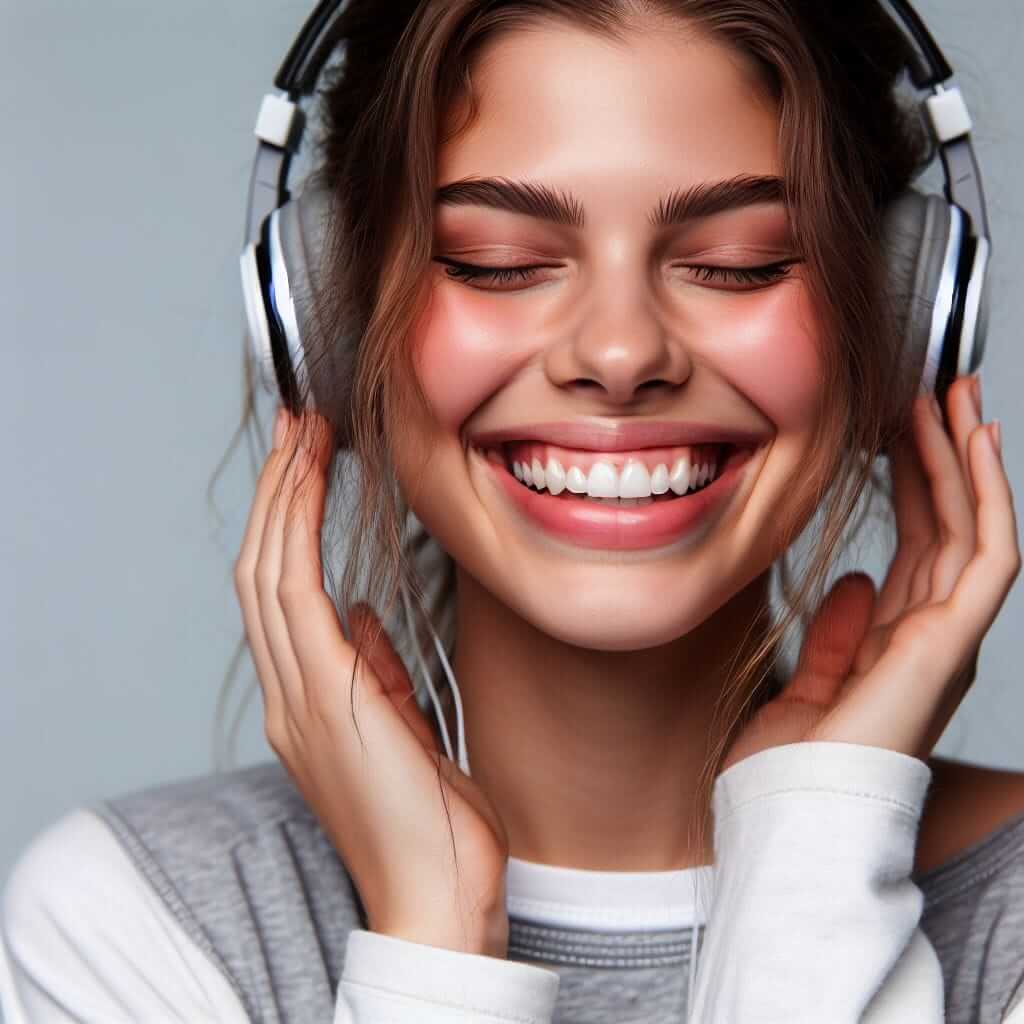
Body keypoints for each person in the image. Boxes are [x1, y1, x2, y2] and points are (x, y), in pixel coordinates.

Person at [2, 1, 1022, 1021]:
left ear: (896, 322)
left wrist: (816, 859)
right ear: (333, 328)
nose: (620, 355)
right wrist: (433, 938)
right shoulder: (135, 926)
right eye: (497, 262)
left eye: (737, 260)